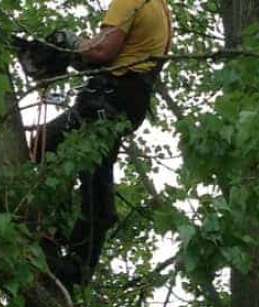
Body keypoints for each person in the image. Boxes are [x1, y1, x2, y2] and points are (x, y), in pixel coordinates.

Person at [37, 0, 173, 287]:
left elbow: (102, 50)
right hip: (126, 101)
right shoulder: (160, 7)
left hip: (107, 101)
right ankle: (66, 248)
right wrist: (74, 54)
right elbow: (117, 55)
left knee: (51, 149)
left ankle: (67, 254)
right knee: (83, 167)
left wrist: (70, 45)